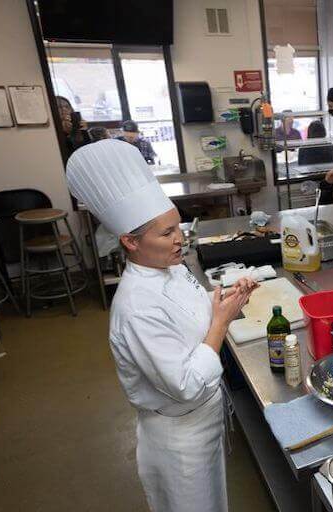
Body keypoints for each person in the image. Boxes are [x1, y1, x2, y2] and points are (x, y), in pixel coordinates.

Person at [66, 139, 258, 512]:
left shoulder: (171, 268)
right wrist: (220, 323)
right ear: (130, 242)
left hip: (207, 416)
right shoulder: (136, 307)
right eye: (166, 233)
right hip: (179, 433)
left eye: (178, 227)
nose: (180, 239)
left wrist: (223, 302)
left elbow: (188, 314)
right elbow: (184, 385)